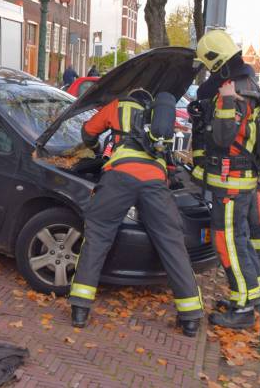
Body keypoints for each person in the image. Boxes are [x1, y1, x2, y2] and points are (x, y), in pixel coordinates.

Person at [68, 89, 204, 336]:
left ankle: (80, 308)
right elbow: (169, 158)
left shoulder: (118, 106)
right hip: (154, 181)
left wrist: (93, 144)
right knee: (172, 243)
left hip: (119, 177)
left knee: (97, 236)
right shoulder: (159, 122)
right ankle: (191, 317)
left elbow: (88, 131)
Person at [190, 29, 260, 329]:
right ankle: (248, 296)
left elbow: (222, 138)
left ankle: (243, 309)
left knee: (229, 243)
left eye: (209, 67)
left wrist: (226, 103)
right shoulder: (249, 83)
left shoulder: (233, 92)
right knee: (241, 240)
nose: (209, 74)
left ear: (217, 63)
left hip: (231, 183)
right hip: (242, 181)